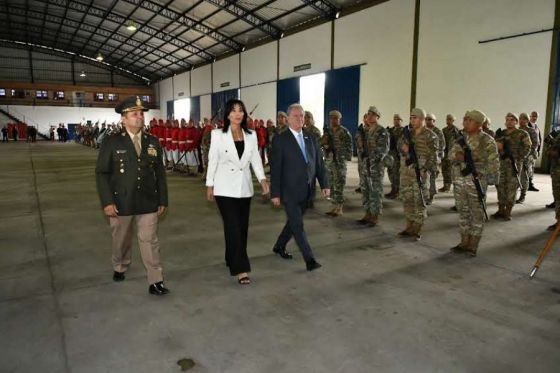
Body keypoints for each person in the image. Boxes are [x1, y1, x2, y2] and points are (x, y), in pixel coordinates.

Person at [95, 96, 169, 296]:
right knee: (121, 239)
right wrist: (107, 201)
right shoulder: (112, 142)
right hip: (122, 201)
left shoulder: (152, 142)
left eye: (141, 114)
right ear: (124, 119)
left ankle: (155, 280)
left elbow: (159, 172)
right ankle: (120, 265)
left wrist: (163, 199)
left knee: (149, 240)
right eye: (134, 114)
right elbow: (101, 173)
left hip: (148, 200)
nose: (140, 117)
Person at [206, 99, 268, 285]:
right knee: (233, 225)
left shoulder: (251, 135)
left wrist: (263, 180)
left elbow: (256, 160)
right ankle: (241, 268)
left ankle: (230, 257)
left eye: (241, 110)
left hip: (244, 188)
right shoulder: (218, 135)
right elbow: (213, 160)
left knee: (240, 228)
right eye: (233, 111)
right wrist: (209, 185)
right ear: (227, 114)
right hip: (224, 188)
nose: (237, 114)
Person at [270, 103, 330, 271]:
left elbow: (318, 163)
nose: (300, 119)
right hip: (288, 191)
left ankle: (279, 245)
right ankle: (309, 259)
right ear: (288, 119)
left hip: (307, 191)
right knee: (298, 225)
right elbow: (276, 170)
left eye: (302, 116)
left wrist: (324, 184)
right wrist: (275, 193)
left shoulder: (310, 138)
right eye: (296, 116)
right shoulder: (280, 140)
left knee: (293, 222)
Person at [449, 110, 499, 256]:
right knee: (463, 212)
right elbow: (450, 155)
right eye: (465, 120)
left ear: (478, 123)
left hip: (476, 181)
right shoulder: (460, 138)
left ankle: (473, 245)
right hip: (459, 181)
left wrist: (480, 169)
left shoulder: (487, 140)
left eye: (469, 120)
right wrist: (457, 156)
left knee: (476, 213)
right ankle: (464, 241)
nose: (466, 122)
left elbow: (494, 163)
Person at [398, 108, 438, 240]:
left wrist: (424, 169)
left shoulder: (430, 136)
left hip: (420, 174)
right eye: (411, 117)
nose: (412, 120)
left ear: (422, 119)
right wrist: (403, 149)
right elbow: (399, 147)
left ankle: (417, 229)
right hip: (406, 173)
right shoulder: (407, 134)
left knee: (419, 202)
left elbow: (434, 157)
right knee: (407, 200)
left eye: (414, 117)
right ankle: (409, 227)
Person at [493, 113, 531, 220]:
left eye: (512, 120)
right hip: (501, 163)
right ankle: (500, 209)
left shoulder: (522, 133)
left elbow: (528, 148)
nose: (509, 122)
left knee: (511, 187)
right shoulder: (501, 133)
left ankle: (508, 211)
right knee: (500, 186)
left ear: (516, 121)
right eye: (507, 120)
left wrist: (517, 158)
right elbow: (495, 147)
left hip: (514, 164)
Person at [357, 106, 389, 226]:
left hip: (375, 167)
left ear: (377, 117)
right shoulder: (365, 131)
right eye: (368, 114)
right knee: (365, 190)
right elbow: (361, 148)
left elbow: (383, 150)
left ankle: (374, 216)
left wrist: (371, 158)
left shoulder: (382, 131)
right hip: (365, 166)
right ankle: (367, 213)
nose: (370, 116)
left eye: (373, 114)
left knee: (375, 191)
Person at [321, 110, 352, 216]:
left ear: (339, 119)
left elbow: (349, 147)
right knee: (331, 184)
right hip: (330, 161)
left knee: (339, 184)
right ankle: (334, 206)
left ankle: (340, 207)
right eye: (332, 118)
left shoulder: (344, 131)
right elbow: (322, 144)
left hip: (340, 162)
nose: (333, 120)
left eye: (336, 118)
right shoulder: (328, 131)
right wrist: (324, 144)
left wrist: (344, 158)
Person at [425, 113, 445, 204]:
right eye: (427, 119)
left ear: (434, 121)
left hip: (434, 158)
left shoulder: (438, 131)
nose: (428, 121)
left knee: (432, 178)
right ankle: (425, 195)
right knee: (424, 177)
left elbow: (442, 145)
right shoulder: (424, 130)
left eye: (430, 119)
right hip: (424, 158)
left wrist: (438, 157)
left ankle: (431, 195)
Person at [518, 112, 539, 195]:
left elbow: (535, 143)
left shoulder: (531, 130)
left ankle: (523, 195)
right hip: (518, 156)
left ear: (527, 120)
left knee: (524, 176)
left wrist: (528, 154)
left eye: (523, 119)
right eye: (520, 119)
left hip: (527, 156)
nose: (521, 121)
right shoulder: (517, 130)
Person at [385, 114, 404, 199]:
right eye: (395, 119)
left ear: (401, 121)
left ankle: (397, 191)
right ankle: (393, 189)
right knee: (390, 173)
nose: (396, 121)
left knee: (396, 174)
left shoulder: (403, 131)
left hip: (397, 155)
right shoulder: (391, 130)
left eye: (398, 119)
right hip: (390, 155)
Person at [441, 114, 459, 192]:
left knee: (449, 170)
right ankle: (445, 185)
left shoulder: (456, 130)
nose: (448, 121)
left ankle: (448, 186)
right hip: (445, 152)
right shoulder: (444, 130)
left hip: (451, 152)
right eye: (447, 119)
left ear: (453, 121)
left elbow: (458, 142)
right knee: (444, 169)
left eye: (450, 119)